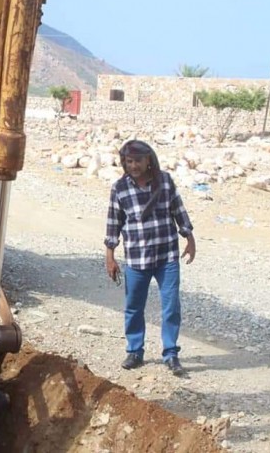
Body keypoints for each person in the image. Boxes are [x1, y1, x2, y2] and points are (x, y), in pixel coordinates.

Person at [104, 140, 196, 376]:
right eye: (129, 161)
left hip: (167, 256)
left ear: (148, 160)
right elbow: (113, 222)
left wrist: (190, 238)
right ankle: (135, 351)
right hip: (137, 259)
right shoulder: (120, 188)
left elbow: (178, 210)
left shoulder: (164, 181)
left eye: (138, 160)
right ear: (124, 162)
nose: (134, 165)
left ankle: (171, 354)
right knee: (133, 307)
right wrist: (110, 256)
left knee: (171, 306)